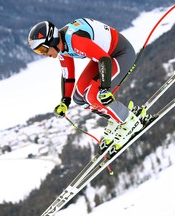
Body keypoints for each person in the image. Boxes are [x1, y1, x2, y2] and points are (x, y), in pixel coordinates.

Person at [28, 18, 150, 153]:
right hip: (104, 57)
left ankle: (130, 122)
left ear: (52, 40)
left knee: (95, 95)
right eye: (38, 52)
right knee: (79, 98)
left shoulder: (74, 40)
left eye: (42, 50)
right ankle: (118, 118)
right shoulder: (61, 49)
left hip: (120, 54)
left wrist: (104, 89)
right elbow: (68, 76)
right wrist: (65, 102)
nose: (44, 55)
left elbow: (104, 59)